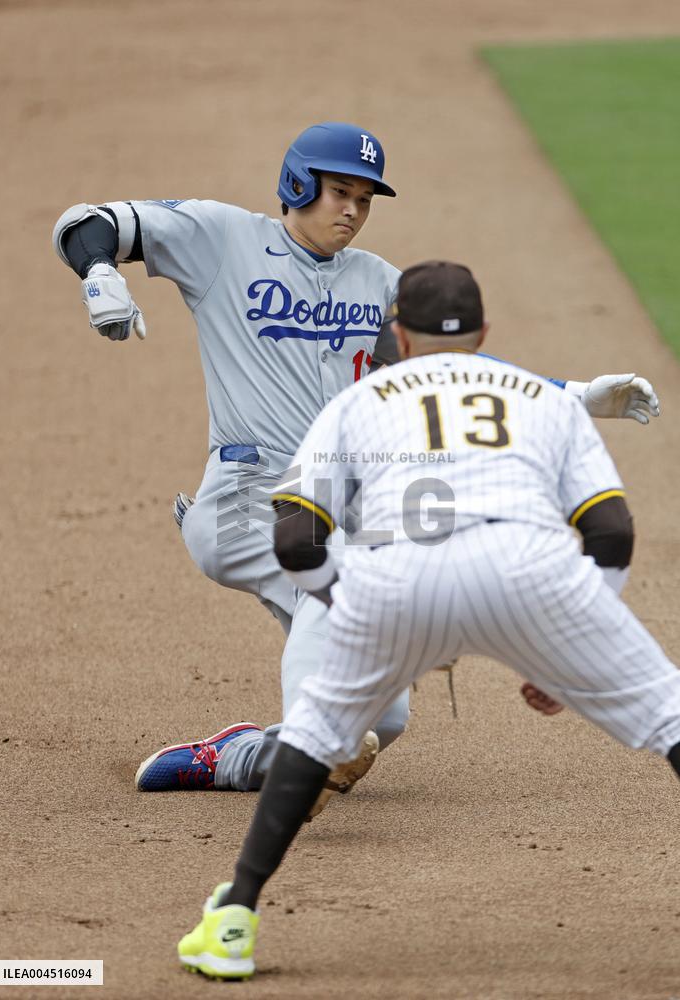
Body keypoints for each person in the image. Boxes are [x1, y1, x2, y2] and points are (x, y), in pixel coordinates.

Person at [52, 125, 659, 810]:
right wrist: (99, 272)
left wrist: (576, 395)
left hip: (333, 510)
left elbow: (454, 370)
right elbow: (87, 223)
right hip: (244, 499)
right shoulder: (221, 238)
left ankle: (242, 756)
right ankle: (310, 756)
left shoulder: (379, 283)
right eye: (339, 192)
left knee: (384, 717)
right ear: (296, 184)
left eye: (364, 199)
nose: (352, 210)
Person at [176, 261, 680, 980]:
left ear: (400, 337)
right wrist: (573, 639)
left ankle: (233, 920)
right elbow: (611, 532)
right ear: (483, 333)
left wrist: (348, 604)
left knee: (315, 734)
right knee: (669, 715)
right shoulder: (546, 399)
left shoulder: (358, 401)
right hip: (532, 575)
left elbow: (294, 539)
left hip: (397, 580)